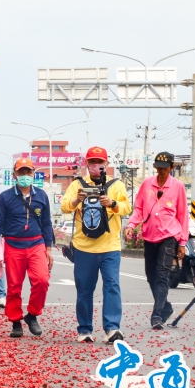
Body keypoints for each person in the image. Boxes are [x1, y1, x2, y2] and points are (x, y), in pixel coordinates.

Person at [61, 146, 132, 343]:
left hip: (110, 247)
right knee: (84, 289)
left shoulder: (116, 185)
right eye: (92, 162)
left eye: (100, 162)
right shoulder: (77, 184)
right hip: (84, 247)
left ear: (106, 164)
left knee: (112, 286)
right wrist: (77, 199)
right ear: (87, 164)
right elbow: (65, 207)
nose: (96, 166)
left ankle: (112, 328)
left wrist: (112, 203)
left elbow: (127, 207)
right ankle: (84, 330)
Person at [0, 157, 54, 338]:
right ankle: (15, 321)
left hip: (36, 244)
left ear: (33, 174)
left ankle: (32, 315)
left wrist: (48, 249)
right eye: (21, 172)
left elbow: (47, 223)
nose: (25, 175)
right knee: (14, 286)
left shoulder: (41, 195)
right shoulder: (5, 196)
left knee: (42, 280)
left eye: (28, 172)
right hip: (13, 245)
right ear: (14, 175)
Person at [124, 151, 188, 331]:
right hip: (149, 236)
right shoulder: (147, 184)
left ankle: (157, 315)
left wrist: (182, 243)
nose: (161, 172)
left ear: (172, 167)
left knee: (161, 276)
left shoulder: (178, 187)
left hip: (169, 236)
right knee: (151, 276)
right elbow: (139, 209)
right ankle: (165, 307)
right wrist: (131, 225)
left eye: (164, 169)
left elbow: (183, 216)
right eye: (158, 168)